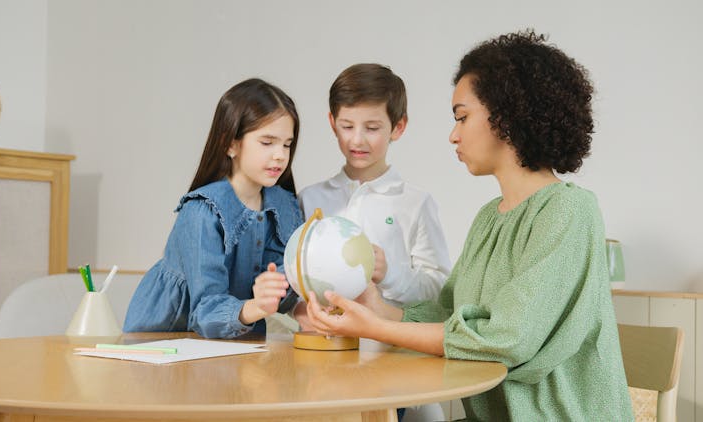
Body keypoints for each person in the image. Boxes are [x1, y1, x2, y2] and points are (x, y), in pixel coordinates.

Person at [305, 30, 634, 421]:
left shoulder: (570, 211)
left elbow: (507, 339)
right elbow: (448, 312)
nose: (453, 135)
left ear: (508, 117)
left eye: (462, 117)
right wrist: (379, 310)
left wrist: (378, 329)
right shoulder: (489, 218)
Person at [296, 63, 452, 422]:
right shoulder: (310, 199)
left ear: (399, 127)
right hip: (324, 366)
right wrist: (300, 311)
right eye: (347, 126)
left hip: (395, 363)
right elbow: (295, 283)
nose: (357, 140)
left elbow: (439, 290)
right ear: (332, 122)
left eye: (372, 128)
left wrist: (391, 273)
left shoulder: (416, 203)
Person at [124, 78, 303, 339]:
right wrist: (256, 305)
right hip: (162, 343)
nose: (280, 155)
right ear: (231, 144)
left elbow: (281, 296)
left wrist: (281, 290)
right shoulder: (201, 211)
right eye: (267, 142)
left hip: (233, 344)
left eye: (287, 144)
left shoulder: (283, 205)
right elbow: (206, 312)